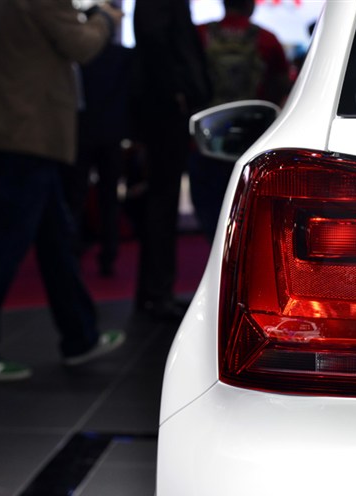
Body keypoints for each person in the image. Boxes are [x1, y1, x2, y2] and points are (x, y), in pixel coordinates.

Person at [0, 0, 125, 383]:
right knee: (7, 242)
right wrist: (105, 18)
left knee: (55, 238)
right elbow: (81, 45)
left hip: (15, 123)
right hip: (29, 129)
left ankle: (80, 336)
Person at [131, 0, 212, 320]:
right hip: (165, 106)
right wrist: (177, 90)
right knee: (162, 201)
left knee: (162, 200)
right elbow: (156, 38)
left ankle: (156, 291)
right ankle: (156, 292)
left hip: (165, 104)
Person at [190, 0, 291, 242]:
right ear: (251, 6)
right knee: (247, 208)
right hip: (252, 138)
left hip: (207, 136)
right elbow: (281, 85)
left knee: (209, 205)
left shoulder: (200, 34)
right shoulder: (267, 39)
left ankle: (215, 247)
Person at [65, 40, 134, 277]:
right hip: (110, 135)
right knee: (108, 199)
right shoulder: (122, 55)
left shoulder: (79, 52)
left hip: (83, 133)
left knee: (76, 197)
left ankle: (73, 255)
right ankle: (107, 256)